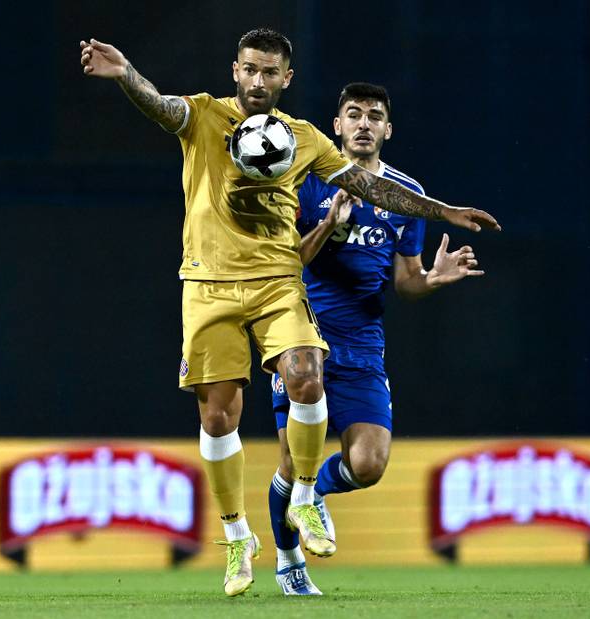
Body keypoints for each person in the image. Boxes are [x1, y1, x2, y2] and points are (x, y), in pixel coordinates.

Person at [79, 30, 499, 597]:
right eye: (250, 69)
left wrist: (441, 210)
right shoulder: (203, 117)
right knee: (218, 420)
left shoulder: (304, 140)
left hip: (278, 283)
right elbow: (160, 103)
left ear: (286, 79)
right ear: (235, 70)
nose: (258, 81)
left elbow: (370, 187)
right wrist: (126, 74)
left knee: (305, 372)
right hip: (208, 284)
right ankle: (236, 537)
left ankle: (304, 496)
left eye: (269, 72)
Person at [268, 83, 487, 595]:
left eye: (374, 116)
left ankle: (310, 493)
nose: (363, 124)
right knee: (289, 461)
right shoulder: (306, 181)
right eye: (353, 115)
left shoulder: (407, 196)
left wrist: (431, 279)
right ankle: (287, 559)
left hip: (364, 345)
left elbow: (405, 281)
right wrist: (328, 227)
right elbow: (287, 262)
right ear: (337, 126)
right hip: (304, 338)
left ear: (388, 129)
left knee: (368, 464)